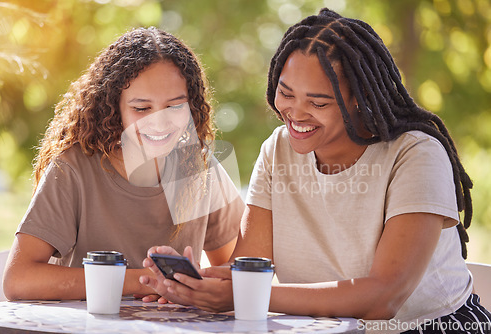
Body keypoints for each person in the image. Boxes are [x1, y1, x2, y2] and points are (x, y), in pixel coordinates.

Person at [139, 8, 491, 333]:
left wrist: (251, 297)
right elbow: (245, 270)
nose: (295, 113)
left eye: (318, 102)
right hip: (328, 327)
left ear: (360, 100)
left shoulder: (416, 155)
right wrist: (191, 283)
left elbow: (384, 298)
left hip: (432, 327)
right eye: (286, 93)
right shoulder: (278, 150)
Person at [3, 27, 245, 301]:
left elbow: (234, 271)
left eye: (175, 106)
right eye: (141, 109)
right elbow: (19, 279)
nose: (160, 122)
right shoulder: (74, 169)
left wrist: (191, 285)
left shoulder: (200, 168)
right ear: (113, 107)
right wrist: (146, 281)